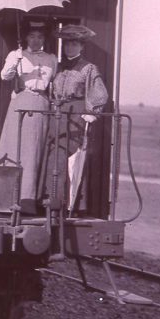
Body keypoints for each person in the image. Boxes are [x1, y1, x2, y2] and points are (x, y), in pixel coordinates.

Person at [40, 24, 108, 211]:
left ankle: (68, 203)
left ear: (82, 46)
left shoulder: (89, 68)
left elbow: (99, 92)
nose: (70, 47)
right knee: (54, 155)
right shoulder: (57, 66)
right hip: (56, 114)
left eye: (74, 44)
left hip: (76, 115)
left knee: (71, 156)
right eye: (67, 44)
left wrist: (92, 111)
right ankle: (50, 199)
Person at [0, 20, 58, 213]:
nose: (36, 40)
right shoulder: (17, 54)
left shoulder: (51, 59)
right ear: (26, 37)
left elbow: (53, 82)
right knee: (15, 149)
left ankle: (30, 200)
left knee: (35, 151)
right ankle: (6, 198)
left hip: (42, 104)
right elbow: (4, 76)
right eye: (32, 36)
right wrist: (16, 61)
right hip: (22, 101)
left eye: (40, 37)